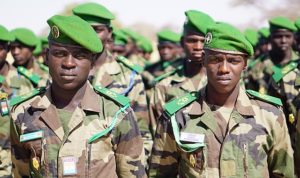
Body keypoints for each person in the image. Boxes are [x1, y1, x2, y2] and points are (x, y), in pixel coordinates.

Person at [149, 22, 294, 178]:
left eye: (233, 61)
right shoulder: (178, 116)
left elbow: (283, 173)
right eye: (216, 60)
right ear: (203, 60)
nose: (224, 69)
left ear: (245, 64)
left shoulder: (269, 114)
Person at [10, 14, 146, 177]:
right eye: (60, 54)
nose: (68, 63)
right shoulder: (23, 112)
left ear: (93, 63)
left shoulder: (117, 113)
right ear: (46, 57)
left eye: (80, 56)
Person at [72, 2, 152, 168]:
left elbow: (142, 134)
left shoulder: (128, 77)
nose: (91, 35)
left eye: (97, 30)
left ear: (109, 33)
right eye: (85, 28)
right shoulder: (63, 73)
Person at [148, 10, 214, 131]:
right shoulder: (165, 85)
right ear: (182, 42)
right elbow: (156, 131)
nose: (198, 47)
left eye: (203, 41)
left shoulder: (224, 82)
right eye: (192, 41)